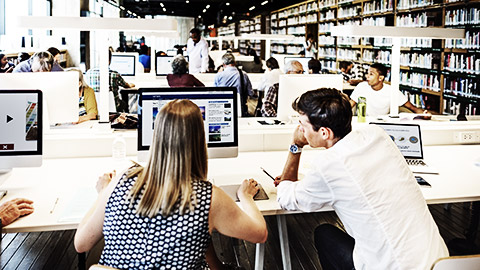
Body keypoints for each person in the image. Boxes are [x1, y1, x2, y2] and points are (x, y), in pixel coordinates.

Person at [74, 99, 267, 269]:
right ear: (200, 140)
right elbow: (260, 234)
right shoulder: (210, 198)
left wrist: (103, 193)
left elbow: (81, 243)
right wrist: (246, 196)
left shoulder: (120, 181)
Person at [274, 88, 448, 269]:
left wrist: (296, 145)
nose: (300, 129)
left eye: (302, 124)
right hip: (439, 262)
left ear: (324, 133)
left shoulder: (327, 165)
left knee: (324, 233)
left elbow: (285, 199)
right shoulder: (377, 135)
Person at [350, 63, 430, 116]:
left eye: (371, 74)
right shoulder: (361, 87)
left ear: (381, 78)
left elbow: (413, 108)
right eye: (367, 73)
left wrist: (424, 114)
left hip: (382, 126)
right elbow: (349, 105)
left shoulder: (392, 91)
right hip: (363, 123)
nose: (367, 76)